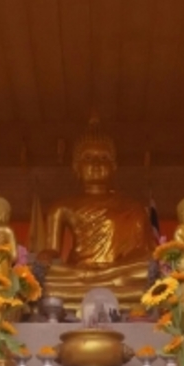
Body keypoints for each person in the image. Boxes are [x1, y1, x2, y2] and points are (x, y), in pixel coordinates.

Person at [34, 117, 154, 307]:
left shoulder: (132, 207)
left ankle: (101, 285)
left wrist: (112, 270)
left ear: (114, 167)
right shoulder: (62, 207)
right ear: (76, 167)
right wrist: (46, 255)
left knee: (147, 269)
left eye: (104, 158)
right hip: (77, 273)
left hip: (118, 271)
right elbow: (53, 250)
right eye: (88, 158)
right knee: (46, 276)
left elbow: (143, 252)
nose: (97, 163)